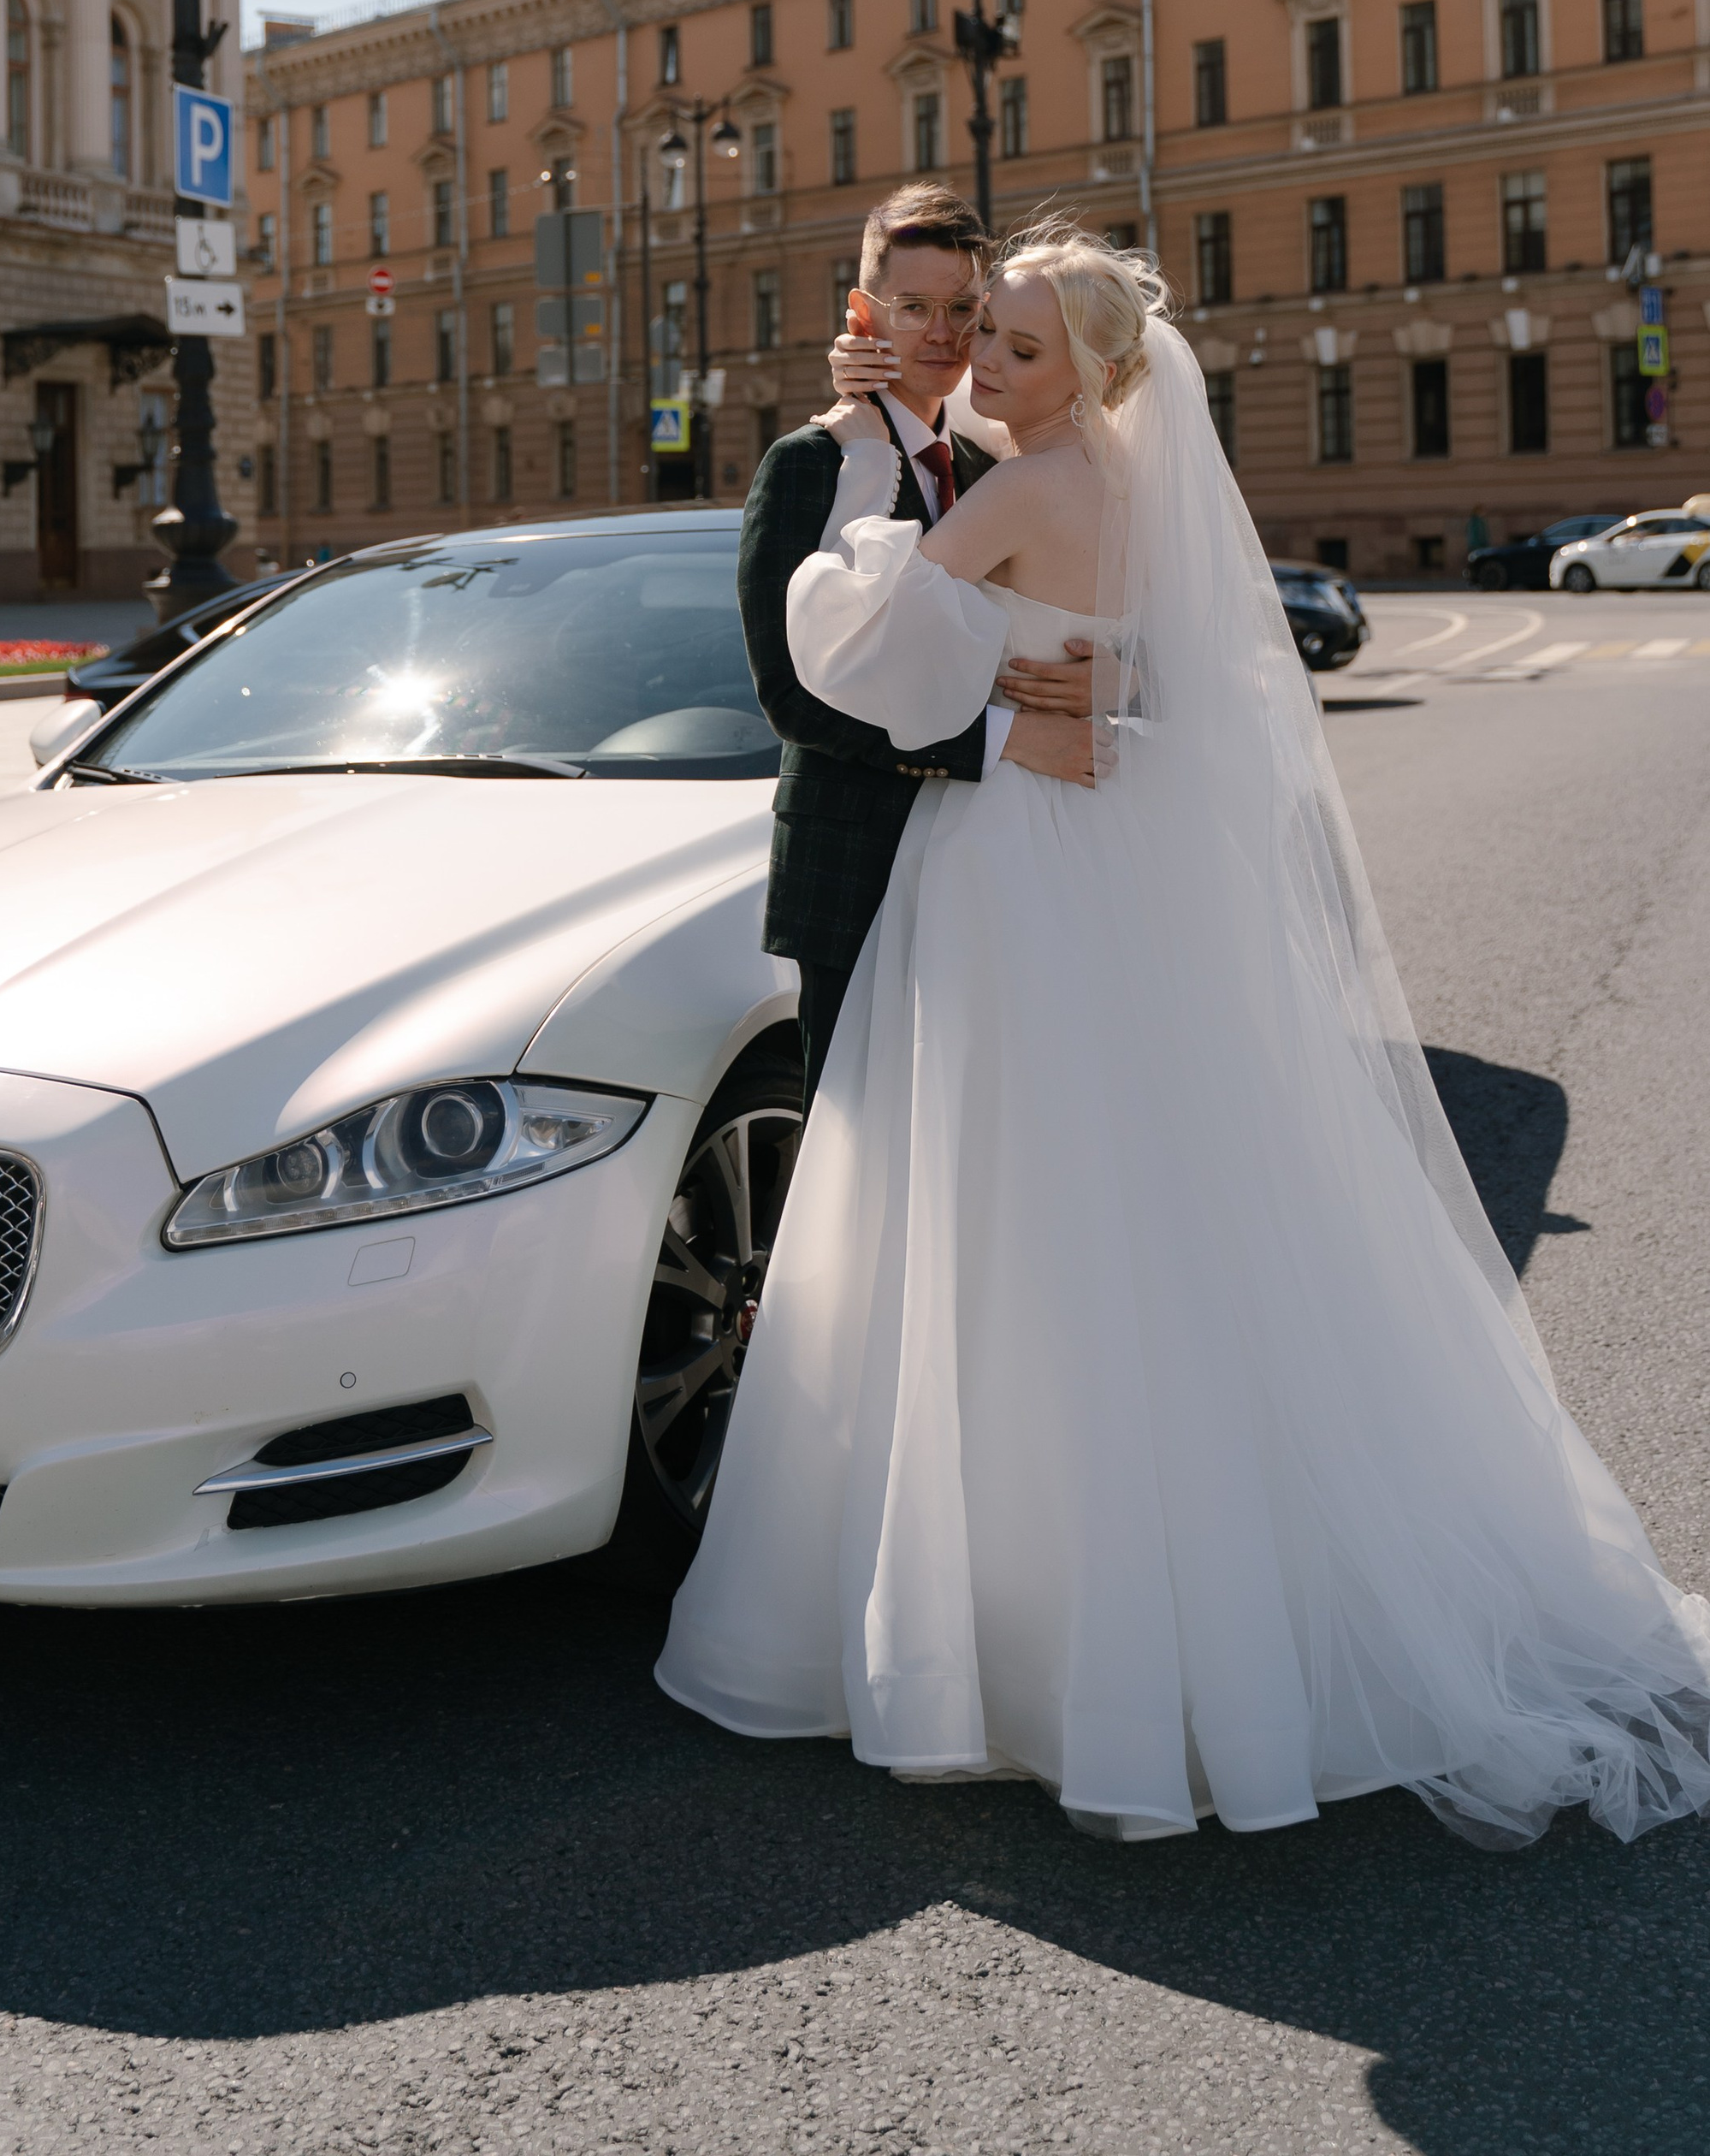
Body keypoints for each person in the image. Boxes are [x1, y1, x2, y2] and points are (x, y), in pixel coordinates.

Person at [660, 221, 1710, 1848]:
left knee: (1003, 1224)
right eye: (967, 333)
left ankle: (1021, 1624)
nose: (981, 362)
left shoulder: (1007, 479)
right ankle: (1191, 1605)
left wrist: (876, 505)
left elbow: (854, 647)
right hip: (1100, 870)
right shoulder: (1140, 493)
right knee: (1141, 1213)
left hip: (1011, 876)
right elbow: (1140, 676)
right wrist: (1047, 686)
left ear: (1088, 371)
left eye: (1009, 341)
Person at [736, 185, 1097, 1108]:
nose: (942, 333)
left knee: (964, 1135)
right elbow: (795, 695)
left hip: (984, 862)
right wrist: (1004, 741)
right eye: (911, 308)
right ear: (863, 315)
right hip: (854, 860)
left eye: (962, 308)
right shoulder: (810, 465)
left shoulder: (985, 468)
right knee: (851, 1146)